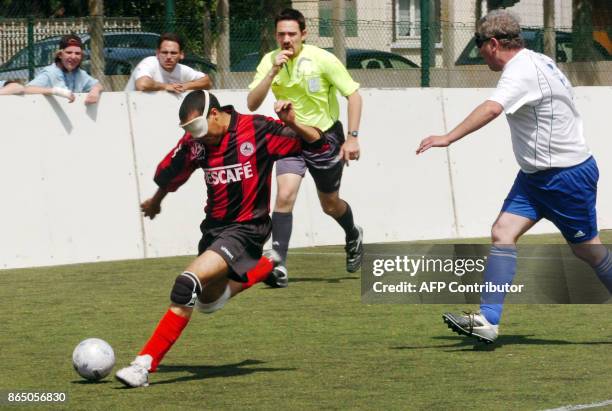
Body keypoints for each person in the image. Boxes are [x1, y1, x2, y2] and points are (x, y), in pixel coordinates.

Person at [416, 9, 612, 344]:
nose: (481, 56)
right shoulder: (536, 60)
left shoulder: (519, 71)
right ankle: (487, 322)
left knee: (588, 251)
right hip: (536, 178)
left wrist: (448, 137)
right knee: (502, 232)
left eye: (480, 48)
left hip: (565, 177)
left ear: (492, 43)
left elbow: (492, 108)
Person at [115, 90, 330, 387]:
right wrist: (156, 200)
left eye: (198, 128)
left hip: (247, 230)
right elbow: (172, 171)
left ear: (214, 114)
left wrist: (293, 122)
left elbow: (317, 143)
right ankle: (267, 267)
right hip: (214, 230)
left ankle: (143, 365)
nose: (196, 136)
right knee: (207, 301)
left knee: (186, 283)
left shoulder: (257, 129)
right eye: (190, 131)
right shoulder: (196, 143)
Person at [247, 8, 364, 287]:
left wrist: (353, 137)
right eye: (281, 34)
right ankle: (278, 264)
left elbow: (354, 96)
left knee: (330, 204)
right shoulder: (269, 61)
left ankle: (352, 233)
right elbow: (252, 102)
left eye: (292, 34)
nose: (286, 39)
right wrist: (273, 70)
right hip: (289, 137)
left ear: (304, 34)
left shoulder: (322, 59)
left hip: (325, 139)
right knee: (284, 196)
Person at [24, 34, 103, 104]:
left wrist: (95, 91)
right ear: (60, 55)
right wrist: (55, 91)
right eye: (69, 52)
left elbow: (97, 85)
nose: (73, 57)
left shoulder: (80, 73)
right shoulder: (50, 73)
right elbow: (27, 89)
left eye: (77, 53)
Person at [124, 32, 212, 92]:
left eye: (173, 53)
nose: (169, 57)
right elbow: (142, 84)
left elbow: (207, 81)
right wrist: (166, 86)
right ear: (157, 53)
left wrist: (186, 86)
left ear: (181, 55)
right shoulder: (149, 62)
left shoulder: (181, 69)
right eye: (164, 52)